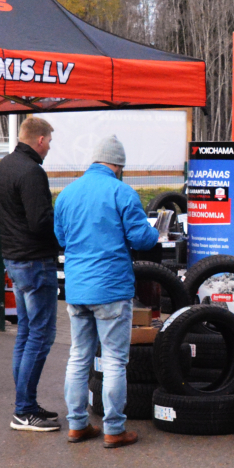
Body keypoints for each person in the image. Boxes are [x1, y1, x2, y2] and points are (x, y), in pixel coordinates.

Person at [53, 135, 158, 449]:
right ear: (118, 165)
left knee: (78, 357)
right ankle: (113, 429)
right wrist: (155, 230)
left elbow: (61, 238)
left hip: (77, 289)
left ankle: (77, 425)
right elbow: (142, 239)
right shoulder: (121, 192)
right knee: (113, 360)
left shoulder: (66, 194)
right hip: (111, 288)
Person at [0, 116, 62, 432]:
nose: (49, 147)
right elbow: (40, 221)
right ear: (40, 140)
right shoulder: (33, 172)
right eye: (49, 141)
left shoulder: (5, 166)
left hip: (14, 259)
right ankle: (23, 410)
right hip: (35, 262)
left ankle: (26, 404)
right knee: (40, 335)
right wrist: (63, 229)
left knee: (25, 333)